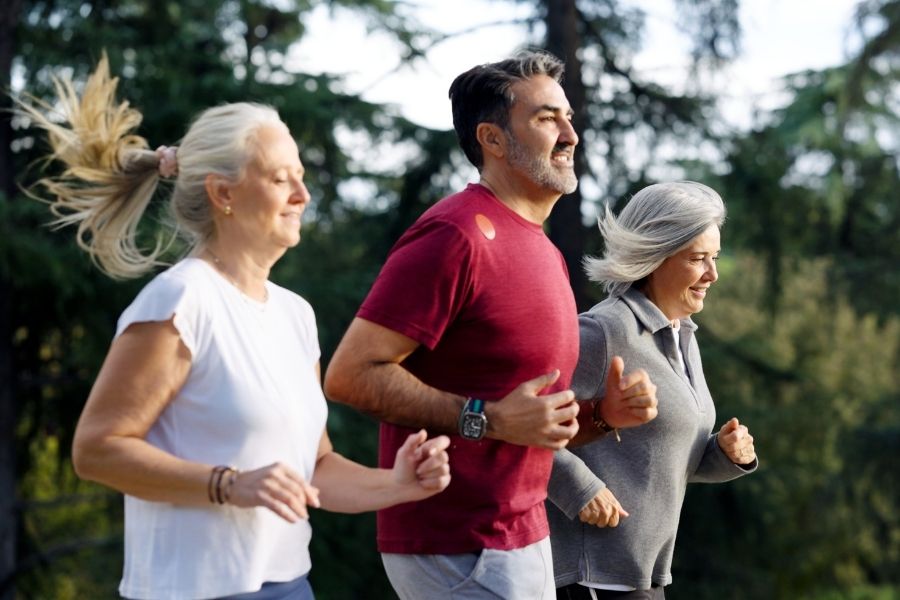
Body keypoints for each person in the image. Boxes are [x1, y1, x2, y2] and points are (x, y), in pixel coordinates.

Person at [14, 56, 452, 600]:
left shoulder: (296, 314)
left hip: (291, 587)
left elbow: (312, 467)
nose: (302, 196)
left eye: (301, 177)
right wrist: (228, 483)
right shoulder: (180, 299)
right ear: (223, 193)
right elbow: (97, 449)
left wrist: (396, 484)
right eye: (279, 179)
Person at [323, 50, 658, 600]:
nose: (570, 133)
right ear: (493, 140)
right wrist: (488, 419)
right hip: (457, 546)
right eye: (547, 118)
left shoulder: (542, 250)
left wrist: (601, 417)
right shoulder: (456, 235)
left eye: (568, 117)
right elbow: (351, 375)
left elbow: (527, 428)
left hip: (521, 537)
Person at [547, 181, 759, 599]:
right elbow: (521, 425)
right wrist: (581, 489)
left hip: (644, 575)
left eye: (714, 258)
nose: (713, 274)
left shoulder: (682, 335)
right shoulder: (605, 330)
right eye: (698, 259)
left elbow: (666, 456)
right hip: (593, 577)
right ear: (655, 256)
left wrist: (723, 453)